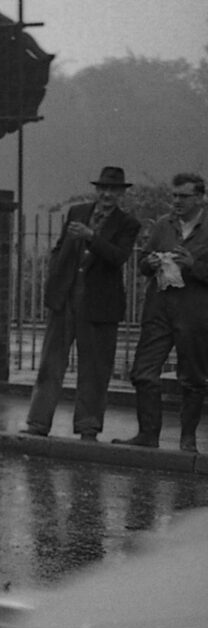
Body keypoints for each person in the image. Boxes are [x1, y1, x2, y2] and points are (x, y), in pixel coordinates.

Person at [20, 166, 141, 440]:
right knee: (50, 364)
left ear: (121, 193)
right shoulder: (76, 212)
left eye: (113, 190)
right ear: (96, 190)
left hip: (99, 305)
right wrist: (56, 273)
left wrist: (91, 237)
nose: (107, 194)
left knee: (95, 369)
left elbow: (118, 256)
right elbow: (61, 246)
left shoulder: (127, 223)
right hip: (65, 300)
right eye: (103, 188)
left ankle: (88, 427)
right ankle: (37, 423)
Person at [113, 171, 208, 451]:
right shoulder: (163, 226)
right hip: (159, 308)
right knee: (143, 371)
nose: (177, 201)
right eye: (174, 196)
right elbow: (141, 262)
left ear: (200, 197)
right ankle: (148, 434)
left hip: (195, 312)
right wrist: (150, 262)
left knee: (193, 378)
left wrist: (193, 265)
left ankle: (187, 439)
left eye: (184, 196)